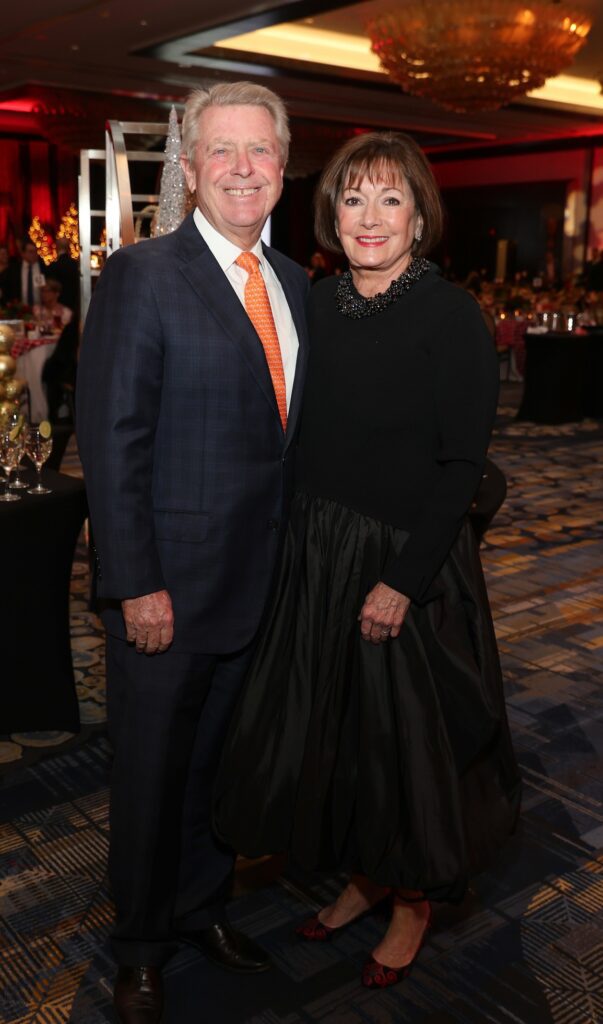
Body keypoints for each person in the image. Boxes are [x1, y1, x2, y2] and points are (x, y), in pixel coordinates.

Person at [215, 131, 521, 989]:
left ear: (419, 216)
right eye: (354, 199)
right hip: (317, 550)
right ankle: (362, 876)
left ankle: (413, 900)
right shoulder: (310, 301)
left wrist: (401, 580)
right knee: (336, 732)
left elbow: (461, 467)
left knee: (400, 748)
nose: (371, 217)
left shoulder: (450, 314)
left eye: (391, 199)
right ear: (331, 214)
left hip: (404, 558)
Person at [76, 81, 309, 1024]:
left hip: (259, 589)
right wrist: (135, 583)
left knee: (218, 769)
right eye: (224, 151)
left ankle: (202, 907)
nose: (243, 168)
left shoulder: (295, 282)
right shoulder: (144, 275)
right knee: (150, 774)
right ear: (189, 167)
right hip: (165, 597)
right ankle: (139, 944)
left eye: (261, 151)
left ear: (284, 169)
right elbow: (112, 439)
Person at [49, 236, 80, 314]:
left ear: (57, 247)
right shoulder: (75, 265)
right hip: (74, 306)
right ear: (68, 248)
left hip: (58, 309)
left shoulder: (54, 266)